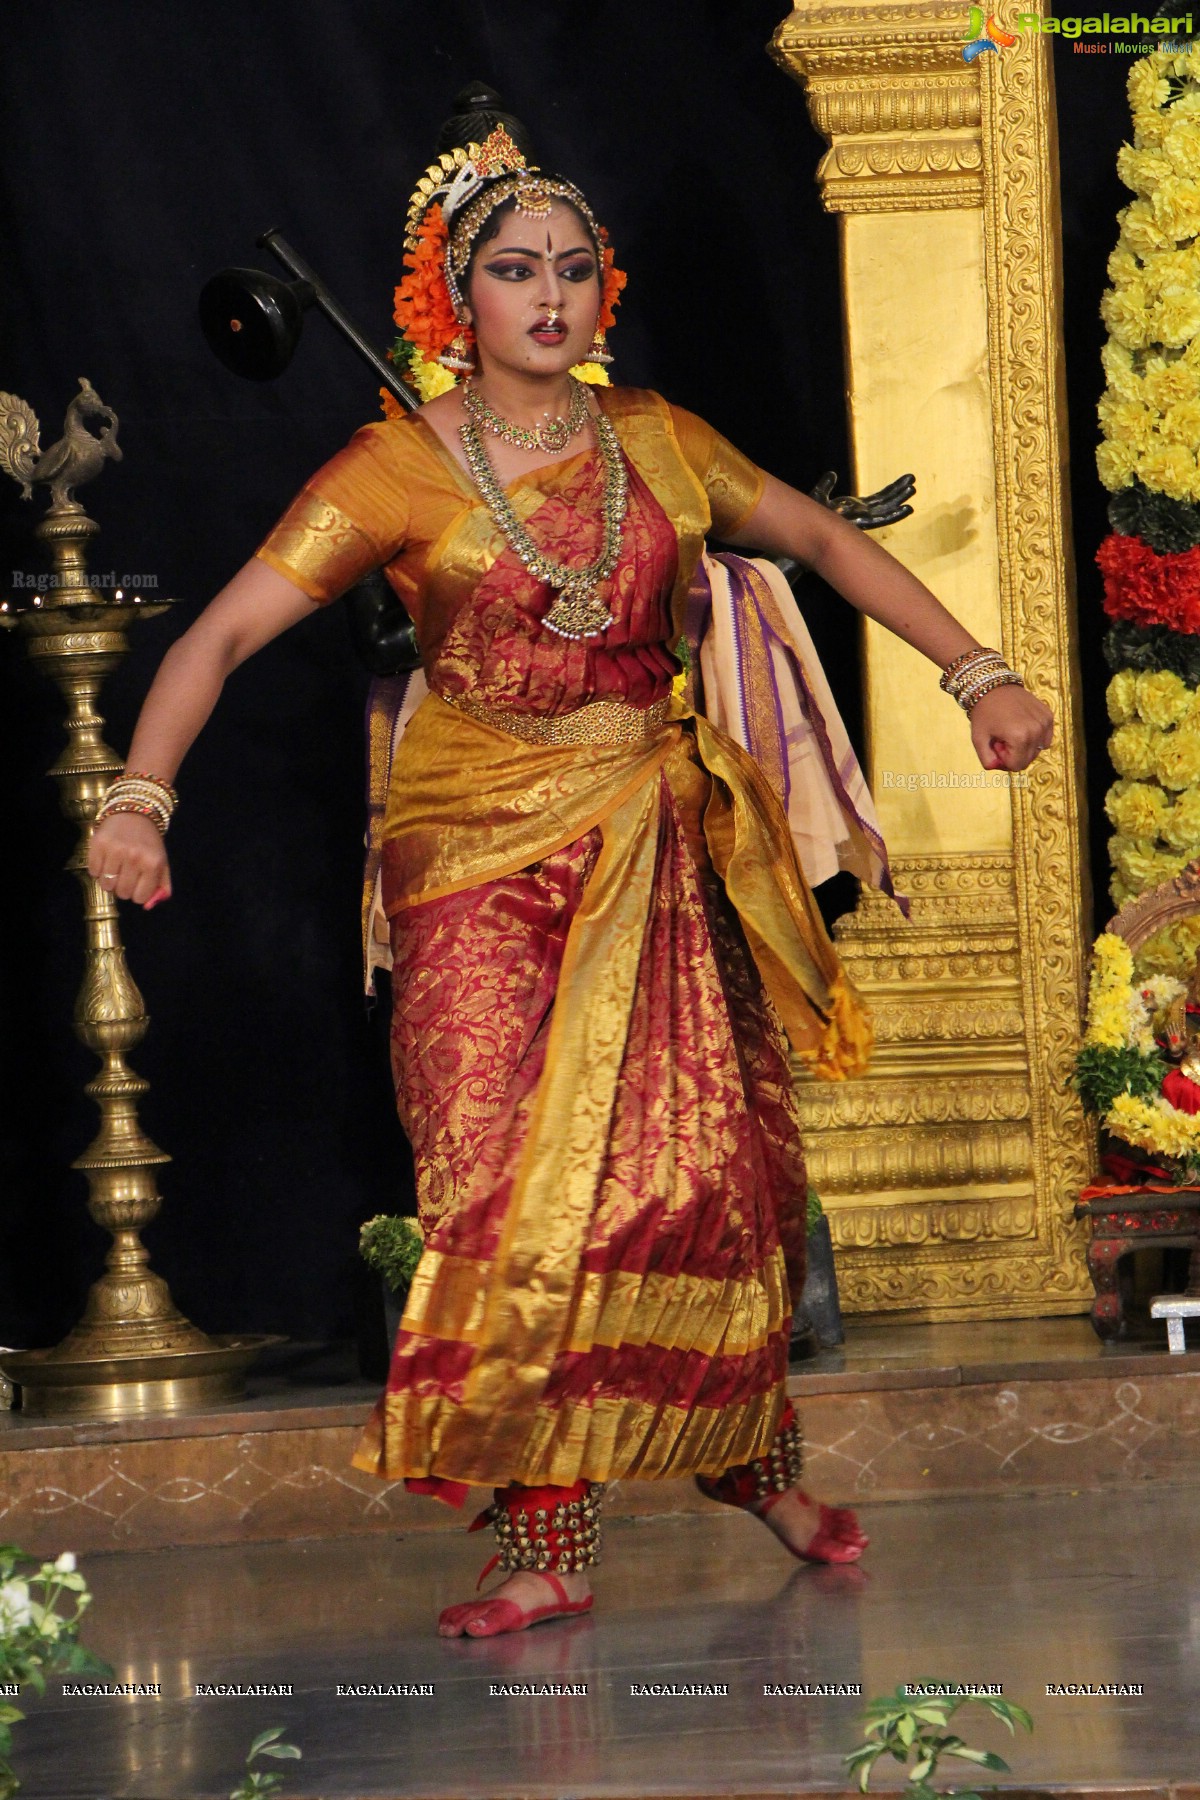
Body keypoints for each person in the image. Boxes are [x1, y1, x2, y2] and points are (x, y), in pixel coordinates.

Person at [87, 88, 1054, 1639]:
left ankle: (753, 1465)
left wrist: (978, 669)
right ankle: (550, 1536)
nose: (550, 296)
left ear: (604, 291)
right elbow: (217, 638)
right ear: (453, 303)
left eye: (573, 268)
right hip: (469, 857)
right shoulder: (389, 472)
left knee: (694, 1180)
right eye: (515, 270)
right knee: (495, 1188)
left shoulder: (661, 443)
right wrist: (141, 797)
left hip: (648, 834)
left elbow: (823, 541)